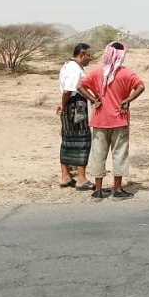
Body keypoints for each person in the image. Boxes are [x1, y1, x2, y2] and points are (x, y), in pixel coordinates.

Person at [80, 42, 145, 200]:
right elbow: (141, 87)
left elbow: (81, 86)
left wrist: (93, 99)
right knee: (119, 155)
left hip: (99, 120)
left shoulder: (97, 72)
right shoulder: (127, 73)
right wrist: (128, 99)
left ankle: (98, 190)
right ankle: (117, 189)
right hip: (120, 120)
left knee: (98, 155)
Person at [56, 43, 96, 190]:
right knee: (82, 139)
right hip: (76, 106)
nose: (90, 58)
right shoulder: (74, 69)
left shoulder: (68, 66)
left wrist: (63, 104)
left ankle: (66, 176)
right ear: (82, 54)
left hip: (70, 105)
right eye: (88, 55)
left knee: (67, 139)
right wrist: (65, 104)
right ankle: (81, 178)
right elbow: (68, 90)